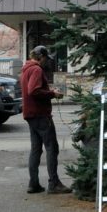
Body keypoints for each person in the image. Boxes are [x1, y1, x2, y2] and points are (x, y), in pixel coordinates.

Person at [21, 45, 72, 194]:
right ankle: (54, 184)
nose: (47, 61)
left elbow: (30, 90)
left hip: (30, 115)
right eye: (46, 58)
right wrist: (52, 94)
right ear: (41, 57)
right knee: (52, 148)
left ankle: (33, 184)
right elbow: (33, 90)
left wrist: (49, 92)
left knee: (36, 149)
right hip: (40, 115)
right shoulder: (36, 69)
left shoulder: (26, 69)